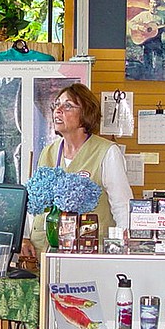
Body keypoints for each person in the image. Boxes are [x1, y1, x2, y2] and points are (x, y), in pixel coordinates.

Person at [21, 83, 133, 258]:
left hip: (88, 252)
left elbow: (122, 206)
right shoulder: (48, 152)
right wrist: (25, 237)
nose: (58, 110)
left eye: (67, 106)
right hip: (43, 251)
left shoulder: (108, 152)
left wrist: (123, 248)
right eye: (56, 105)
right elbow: (34, 202)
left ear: (85, 113)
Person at [129, 0, 165, 79]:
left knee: (159, 60)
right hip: (147, 41)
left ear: (157, 4)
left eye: (155, 3)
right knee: (147, 59)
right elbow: (131, 23)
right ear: (149, 4)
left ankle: (158, 77)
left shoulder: (163, 16)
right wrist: (139, 27)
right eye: (151, 2)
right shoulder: (143, 15)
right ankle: (148, 76)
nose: (153, 5)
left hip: (157, 41)